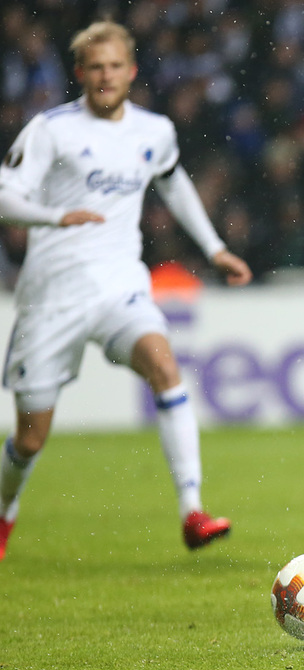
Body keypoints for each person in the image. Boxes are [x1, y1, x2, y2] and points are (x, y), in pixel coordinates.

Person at [0, 20, 253, 561]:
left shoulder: (153, 131)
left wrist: (213, 248)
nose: (106, 76)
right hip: (52, 297)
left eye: (115, 66)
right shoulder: (51, 130)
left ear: (131, 71)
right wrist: (53, 216)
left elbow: (174, 181)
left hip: (121, 287)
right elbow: (5, 196)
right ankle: (4, 513)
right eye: (95, 67)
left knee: (165, 369)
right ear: (80, 74)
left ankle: (193, 511)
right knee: (29, 439)